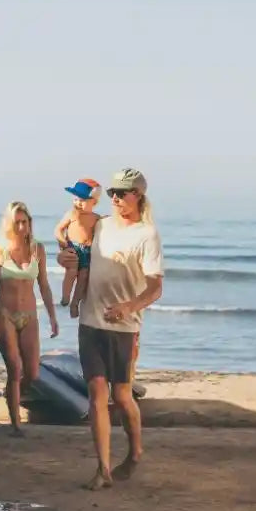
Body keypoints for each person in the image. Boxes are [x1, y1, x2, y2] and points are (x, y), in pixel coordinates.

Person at [61, 168, 163, 489]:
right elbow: (78, 253)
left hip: (124, 327)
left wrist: (129, 307)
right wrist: (66, 260)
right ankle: (103, 469)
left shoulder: (147, 235)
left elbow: (155, 288)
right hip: (91, 321)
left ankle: (134, 453)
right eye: (112, 193)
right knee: (96, 394)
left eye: (123, 193)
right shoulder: (100, 225)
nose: (116, 198)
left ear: (138, 195)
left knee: (121, 396)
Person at [0, 201, 59, 437]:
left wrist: (53, 316)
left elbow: (44, 285)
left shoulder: (38, 250)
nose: (20, 226)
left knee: (32, 373)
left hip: (29, 316)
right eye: (16, 222)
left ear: (29, 223)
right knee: (15, 368)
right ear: (9, 223)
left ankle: (11, 393)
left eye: (24, 222)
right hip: (4, 313)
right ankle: (16, 423)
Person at [54, 179, 102, 316]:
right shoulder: (71, 214)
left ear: (94, 202)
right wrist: (63, 243)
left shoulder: (96, 218)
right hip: (72, 247)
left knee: (83, 277)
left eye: (82, 200)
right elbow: (58, 229)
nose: (78, 203)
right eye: (76, 199)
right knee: (71, 272)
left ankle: (75, 303)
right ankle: (65, 296)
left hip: (87, 251)